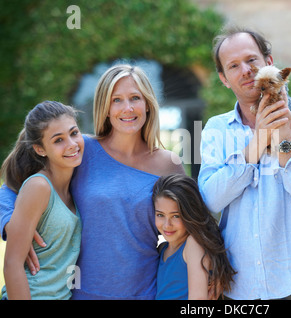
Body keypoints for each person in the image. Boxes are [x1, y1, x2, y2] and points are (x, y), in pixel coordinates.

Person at [0, 64, 185, 299]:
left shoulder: (169, 164)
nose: (127, 108)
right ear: (105, 108)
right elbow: (12, 187)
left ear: (147, 103)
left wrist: (207, 274)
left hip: (144, 293)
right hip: (79, 295)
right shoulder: (80, 149)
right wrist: (11, 225)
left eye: (135, 98)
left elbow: (193, 227)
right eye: (116, 100)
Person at [198, 25, 291, 299]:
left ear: (269, 62)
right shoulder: (216, 128)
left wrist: (283, 138)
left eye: (251, 60)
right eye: (233, 66)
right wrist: (257, 142)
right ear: (223, 78)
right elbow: (210, 200)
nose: (246, 70)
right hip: (238, 285)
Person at [1, 101, 83, 300]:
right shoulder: (39, 187)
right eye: (58, 140)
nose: (71, 144)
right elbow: (12, 265)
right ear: (40, 149)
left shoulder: (76, 181)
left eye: (73, 133)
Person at [152, 174, 236, 300]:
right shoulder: (163, 249)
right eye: (160, 215)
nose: (167, 225)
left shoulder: (192, 245)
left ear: (190, 214)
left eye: (176, 216)